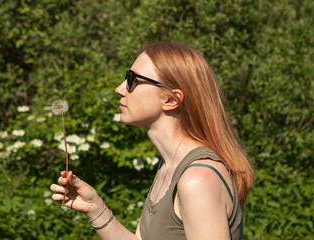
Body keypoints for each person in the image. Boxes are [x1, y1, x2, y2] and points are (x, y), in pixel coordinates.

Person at [50, 42, 255, 240]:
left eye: (133, 80)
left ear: (170, 100)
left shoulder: (197, 179)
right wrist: (95, 208)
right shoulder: (169, 166)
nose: (120, 88)